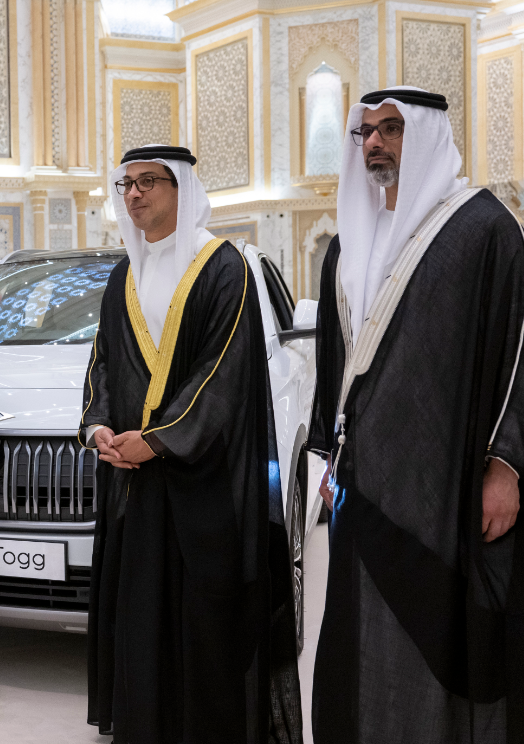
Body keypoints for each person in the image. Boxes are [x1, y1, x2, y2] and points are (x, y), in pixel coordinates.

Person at [308, 87, 524, 743]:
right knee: (359, 636)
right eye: (366, 132)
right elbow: (332, 360)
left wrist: (507, 464)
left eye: (391, 129)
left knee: (437, 637)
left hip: (445, 486)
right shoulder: (348, 243)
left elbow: (519, 351)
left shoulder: (483, 229)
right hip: (364, 485)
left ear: (426, 135)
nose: (373, 143)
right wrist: (329, 454)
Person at [81, 145, 303, 743]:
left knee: (200, 615)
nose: (134, 194)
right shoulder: (124, 272)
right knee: (144, 613)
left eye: (148, 182)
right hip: (132, 475)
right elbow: (102, 362)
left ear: (181, 187)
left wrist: (159, 441)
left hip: (200, 478)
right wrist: (97, 426)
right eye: (127, 184)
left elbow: (223, 369)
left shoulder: (221, 265)